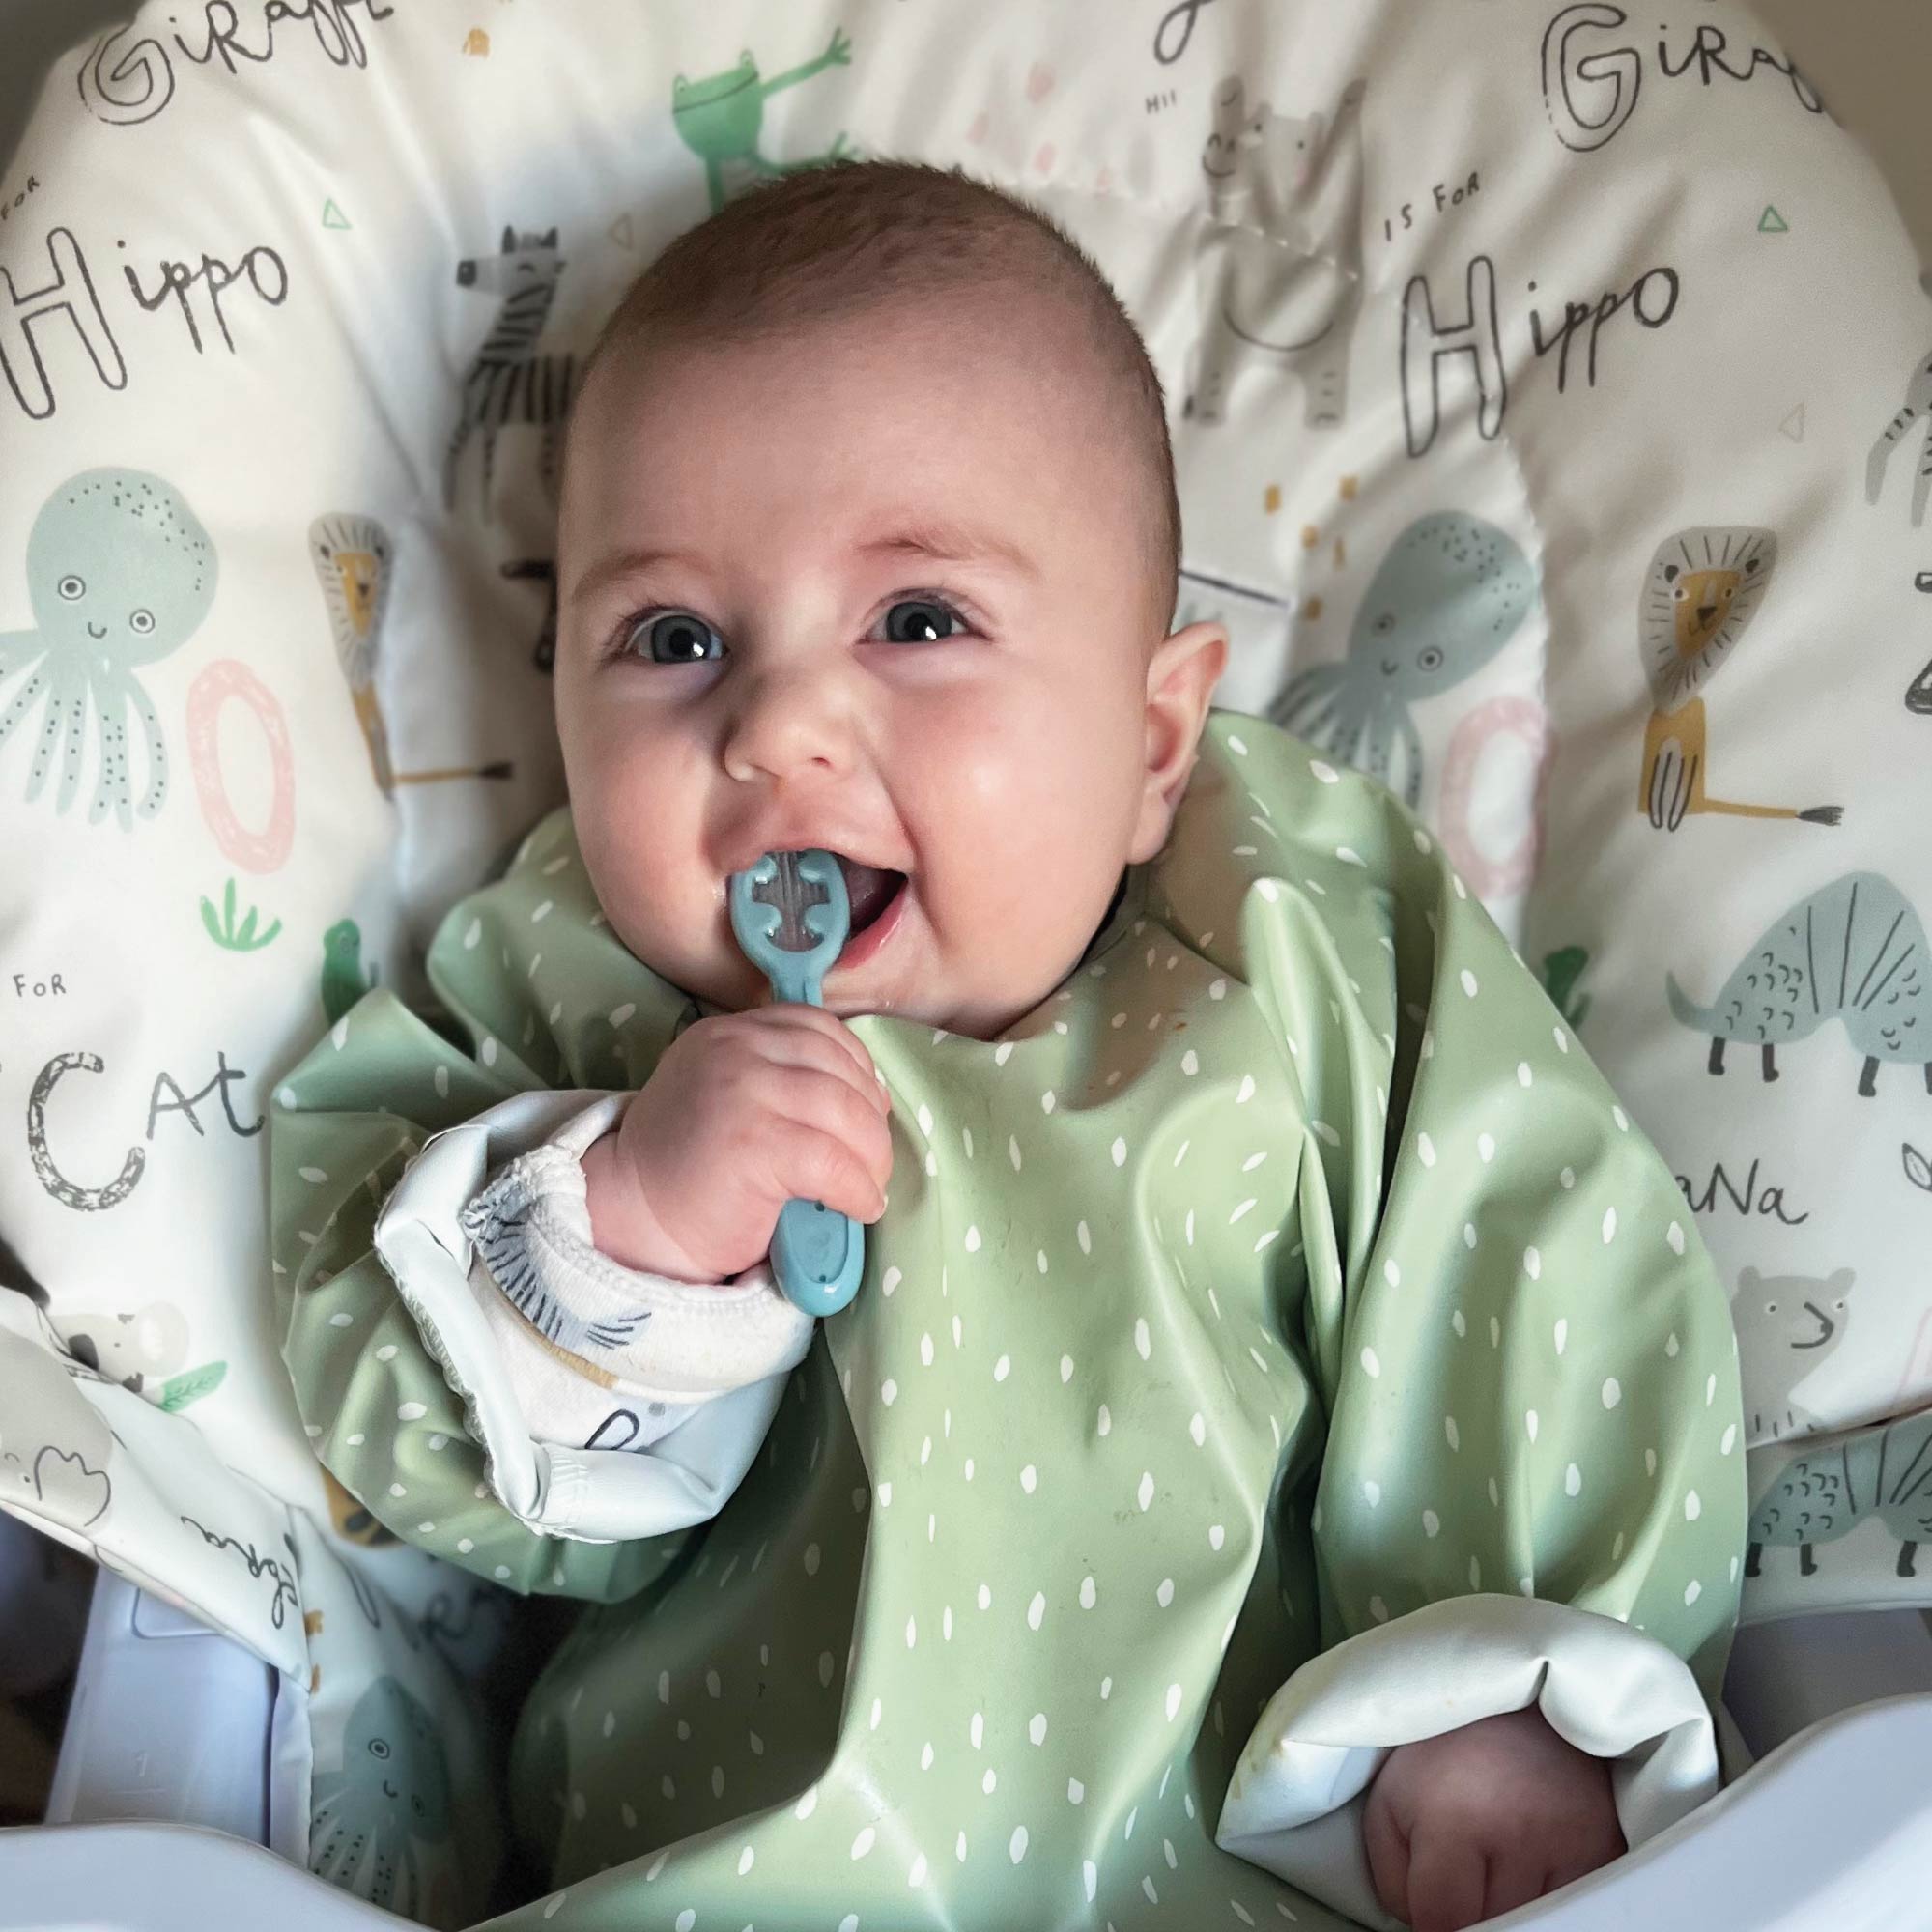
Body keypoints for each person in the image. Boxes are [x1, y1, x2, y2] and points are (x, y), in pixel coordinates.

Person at [272, 161, 1744, 1932]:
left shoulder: (1280, 932)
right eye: (674, 640)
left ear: (1148, 740)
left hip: (1230, 1875)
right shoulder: (562, 989)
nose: (782, 722)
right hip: (720, 1889)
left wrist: (1504, 1679)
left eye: (918, 622)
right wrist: (621, 1234)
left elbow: (1518, 1241)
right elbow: (383, 1386)